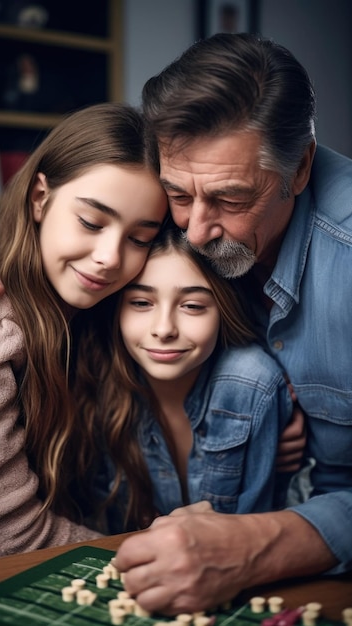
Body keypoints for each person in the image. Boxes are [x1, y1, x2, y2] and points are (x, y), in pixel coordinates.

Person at [112, 33, 352, 613]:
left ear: (300, 169)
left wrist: (254, 547)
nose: (195, 233)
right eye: (177, 195)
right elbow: (76, 222)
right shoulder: (200, 202)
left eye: (231, 199)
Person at [0, 102, 168, 567]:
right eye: (91, 222)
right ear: (40, 198)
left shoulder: (96, 320)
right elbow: (14, 532)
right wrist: (146, 558)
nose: (109, 256)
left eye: (139, 238)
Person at [77, 219, 293, 537]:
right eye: (140, 303)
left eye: (192, 306)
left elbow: (252, 533)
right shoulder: (100, 377)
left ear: (223, 309)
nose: (164, 329)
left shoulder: (249, 382)